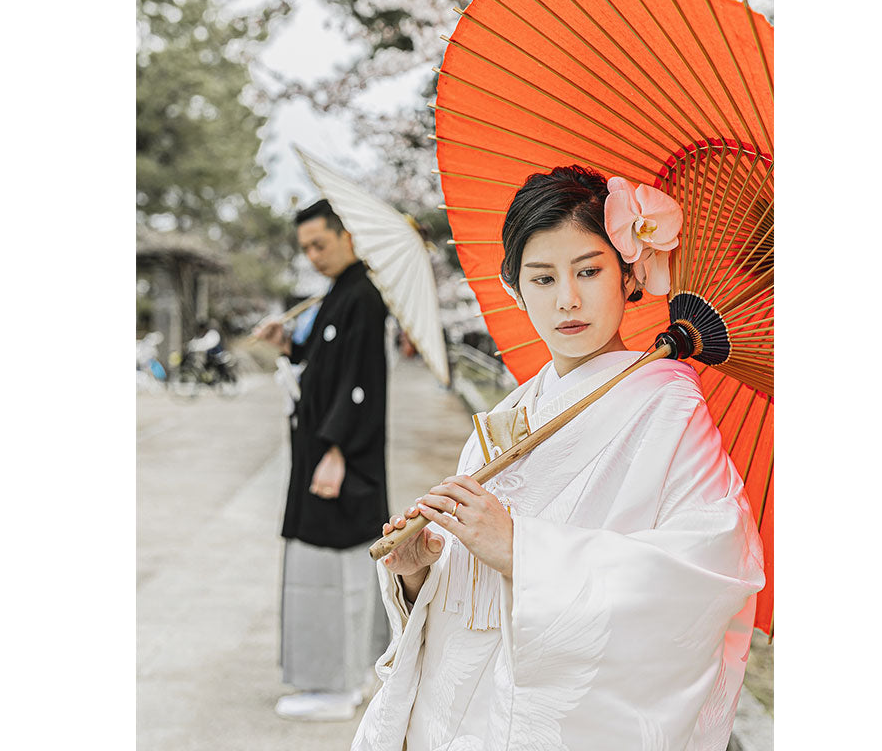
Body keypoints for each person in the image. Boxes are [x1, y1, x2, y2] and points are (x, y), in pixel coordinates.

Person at [351, 167, 765, 750]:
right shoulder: (516, 410)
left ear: (629, 274)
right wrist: (423, 574)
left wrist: (522, 549)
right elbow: (469, 588)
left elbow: (705, 569)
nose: (567, 299)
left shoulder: (667, 404)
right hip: (453, 711)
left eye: (590, 271)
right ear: (516, 288)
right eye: (542, 278)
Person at [256, 198, 391, 721]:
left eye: (320, 244)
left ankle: (336, 686)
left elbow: (361, 384)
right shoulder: (338, 294)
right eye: (306, 248)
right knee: (333, 564)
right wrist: (290, 345)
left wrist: (336, 449)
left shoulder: (363, 296)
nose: (312, 255)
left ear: (346, 235)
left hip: (340, 458)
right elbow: (325, 371)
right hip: (325, 451)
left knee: (332, 566)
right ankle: (349, 674)